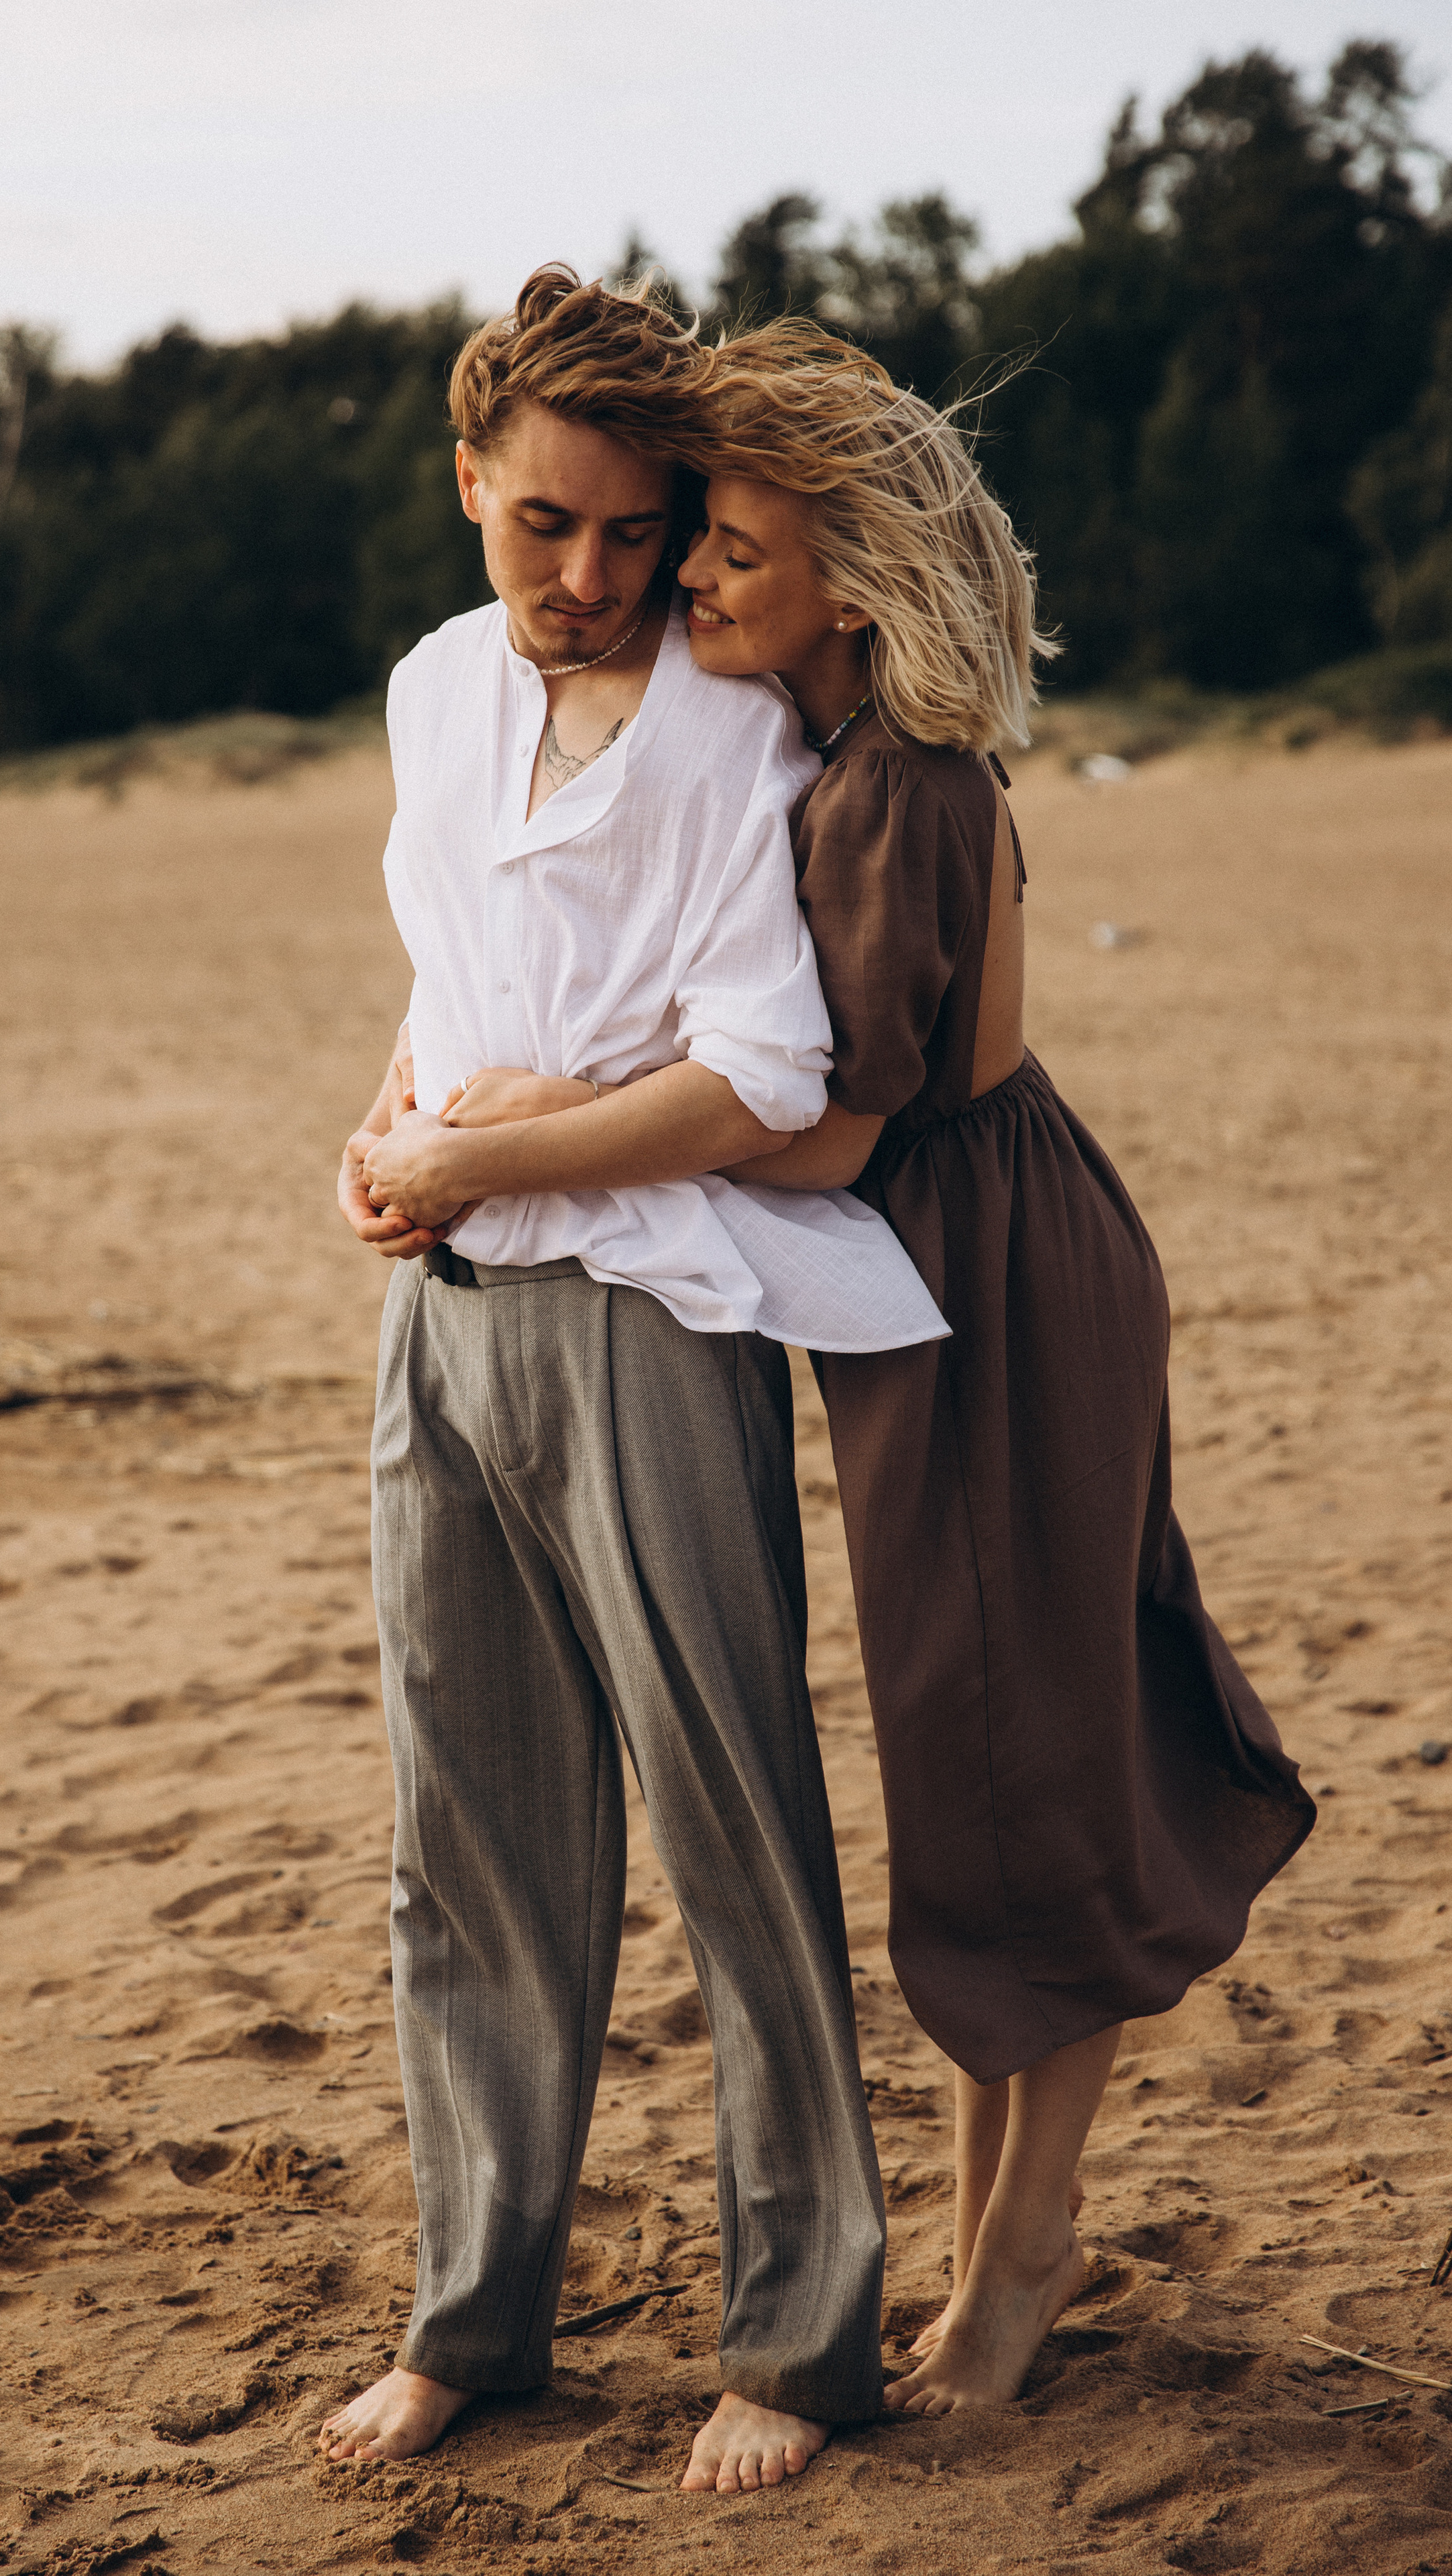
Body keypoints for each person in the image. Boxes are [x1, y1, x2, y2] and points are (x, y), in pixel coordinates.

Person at [410, 320, 1317, 2420]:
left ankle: (1023, 2254)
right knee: (980, 1749)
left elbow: (818, 1129)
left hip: (989, 1278)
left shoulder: (900, 787)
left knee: (1029, 1768)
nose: (678, 584)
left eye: (723, 550)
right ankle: (1010, 2232)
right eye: (679, 541)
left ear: (855, 576)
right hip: (957, 1263)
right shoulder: (849, 755)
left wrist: (520, 1120)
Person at [323, 269, 947, 2493]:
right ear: (468, 486)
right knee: (466, 1841)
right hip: (447, 1320)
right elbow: (450, 974)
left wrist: (491, 1146)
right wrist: (386, 1142)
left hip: (656, 1319)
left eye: (632, 532)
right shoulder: (423, 695)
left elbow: (758, 1072)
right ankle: (474, 2322)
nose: (592, 580)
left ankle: (799, 2340)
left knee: (733, 1824)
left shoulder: (723, 728)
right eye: (543, 531)